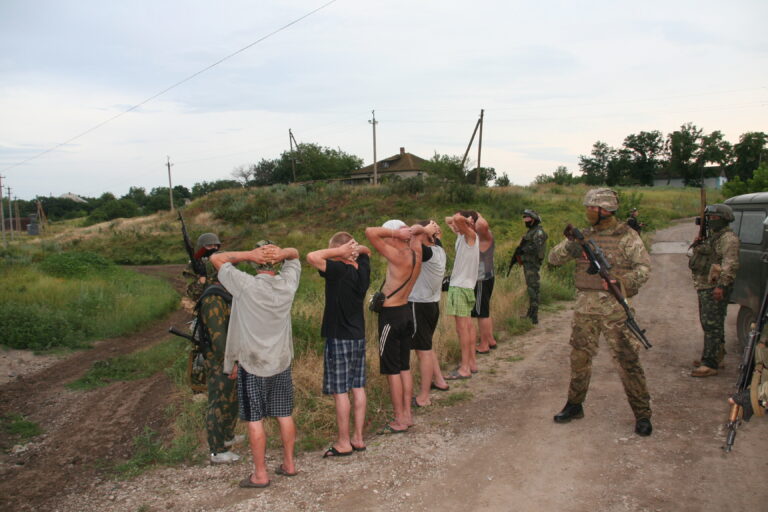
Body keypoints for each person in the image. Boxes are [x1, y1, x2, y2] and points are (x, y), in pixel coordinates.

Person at [548, 188, 653, 437]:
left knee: (628, 361)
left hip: (615, 310)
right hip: (586, 307)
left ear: (604, 210)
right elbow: (553, 258)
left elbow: (644, 269)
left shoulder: (627, 236)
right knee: (579, 359)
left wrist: (621, 280)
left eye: (590, 208)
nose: (586, 212)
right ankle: (574, 405)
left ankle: (642, 414)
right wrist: (571, 246)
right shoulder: (583, 237)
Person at [210, 240, 301, 488]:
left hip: (253, 365)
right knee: (284, 414)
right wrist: (283, 252)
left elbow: (217, 259)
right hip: (281, 362)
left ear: (255, 263)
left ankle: (260, 475)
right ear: (279, 262)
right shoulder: (288, 284)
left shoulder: (245, 285)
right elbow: (295, 255)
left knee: (255, 420)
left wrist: (249, 253)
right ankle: (289, 464)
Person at [306, 233, 371, 456]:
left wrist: (340, 252)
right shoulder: (362, 268)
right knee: (358, 387)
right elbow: (366, 251)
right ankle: (358, 438)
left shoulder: (337, 270)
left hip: (339, 337)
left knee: (340, 391)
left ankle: (344, 442)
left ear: (339, 253)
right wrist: (355, 250)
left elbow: (312, 256)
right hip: (358, 335)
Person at [182, 233, 241, 464]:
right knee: (218, 398)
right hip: (218, 353)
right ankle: (217, 449)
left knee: (231, 396)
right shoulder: (213, 296)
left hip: (225, 352)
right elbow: (218, 335)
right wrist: (229, 359)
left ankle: (226, 436)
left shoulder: (221, 291)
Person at [365, 220, 425, 433]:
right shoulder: (416, 251)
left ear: (394, 235)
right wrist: (410, 232)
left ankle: (399, 418)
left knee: (392, 371)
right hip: (407, 312)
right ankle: (407, 415)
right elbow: (421, 229)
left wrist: (396, 234)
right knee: (404, 367)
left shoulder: (396, 255)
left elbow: (370, 231)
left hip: (391, 316)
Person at [688, 204, 740, 377]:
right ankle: (715, 355)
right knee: (711, 323)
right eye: (709, 217)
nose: (710, 220)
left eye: (714, 217)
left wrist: (721, 286)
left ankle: (710, 364)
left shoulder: (728, 239)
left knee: (712, 324)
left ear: (723, 218)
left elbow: (730, 264)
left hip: (714, 286)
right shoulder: (713, 237)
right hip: (705, 285)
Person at [408, 220, 450, 408]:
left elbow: (412, 237)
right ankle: (439, 379)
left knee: (422, 351)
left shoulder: (426, 253)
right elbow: (429, 236)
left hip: (419, 304)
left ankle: (423, 397)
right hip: (432, 304)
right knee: (427, 345)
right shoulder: (439, 249)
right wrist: (431, 232)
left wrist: (424, 230)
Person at [444, 210, 480, 380]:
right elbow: (448, 219)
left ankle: (464, 368)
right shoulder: (463, 234)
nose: (455, 225)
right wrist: (461, 221)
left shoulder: (470, 234)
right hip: (466, 286)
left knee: (462, 329)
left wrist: (465, 220)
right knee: (468, 326)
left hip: (460, 287)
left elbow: (456, 219)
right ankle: (471, 363)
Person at [472, 212, 499, 353]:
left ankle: (484, 345)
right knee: (485, 311)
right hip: (487, 277)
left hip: (481, 279)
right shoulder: (483, 235)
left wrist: (477, 215)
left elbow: (482, 224)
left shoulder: (484, 235)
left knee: (481, 313)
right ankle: (490, 340)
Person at [517, 209, 548, 325]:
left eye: (528, 218)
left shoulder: (538, 232)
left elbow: (535, 246)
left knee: (533, 288)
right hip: (528, 263)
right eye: (524, 218)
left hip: (532, 263)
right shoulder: (531, 231)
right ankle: (530, 313)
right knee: (531, 287)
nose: (525, 220)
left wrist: (523, 249)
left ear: (534, 219)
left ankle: (534, 316)